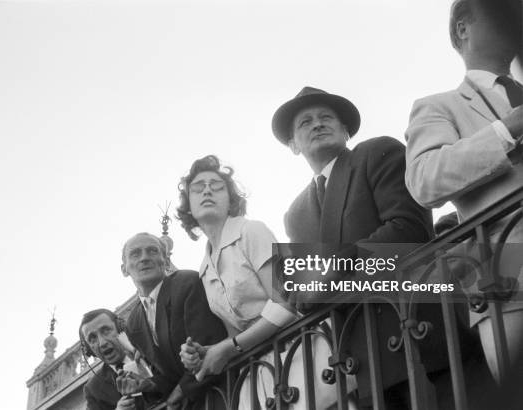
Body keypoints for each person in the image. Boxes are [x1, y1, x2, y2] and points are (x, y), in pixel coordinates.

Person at [271, 86, 448, 409]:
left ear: (346, 130)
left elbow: (409, 231)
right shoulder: (295, 214)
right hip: (357, 360)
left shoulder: (376, 153)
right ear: (294, 145)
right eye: (305, 122)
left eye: (327, 117)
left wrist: (330, 273)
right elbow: (309, 289)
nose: (318, 124)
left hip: (416, 332)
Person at [405, 0, 523, 381]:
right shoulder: (439, 106)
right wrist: (507, 130)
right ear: (462, 29)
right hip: (510, 282)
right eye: (502, 13)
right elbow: (425, 179)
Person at [175, 155, 299, 408]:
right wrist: (206, 353)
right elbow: (236, 333)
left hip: (299, 352)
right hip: (261, 371)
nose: (207, 190)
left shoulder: (251, 231)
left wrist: (227, 348)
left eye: (217, 186)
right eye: (198, 188)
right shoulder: (204, 269)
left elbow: (286, 302)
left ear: (231, 200)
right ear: (188, 206)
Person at [120, 232, 228, 410]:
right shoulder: (133, 322)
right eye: (135, 253)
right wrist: (148, 384)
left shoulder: (187, 283)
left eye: (152, 251)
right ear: (124, 269)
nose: (144, 258)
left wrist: (178, 392)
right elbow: (168, 375)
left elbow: (209, 348)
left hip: (221, 395)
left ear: (166, 260)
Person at [79, 308, 140, 410]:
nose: (102, 343)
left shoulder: (148, 352)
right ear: (89, 349)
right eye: (93, 338)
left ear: (120, 328)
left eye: (106, 330)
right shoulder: (93, 389)